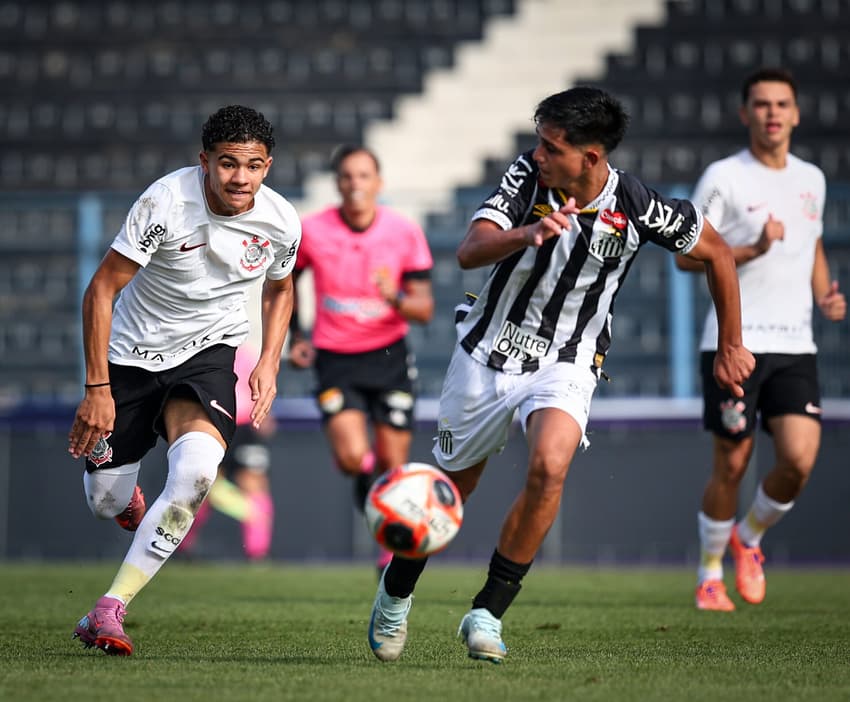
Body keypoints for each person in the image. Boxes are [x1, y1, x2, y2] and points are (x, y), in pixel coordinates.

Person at [366, 86, 755, 664]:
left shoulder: (640, 205)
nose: (539, 154)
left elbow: (719, 254)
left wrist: (730, 345)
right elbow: (470, 251)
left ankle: (488, 613)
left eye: (552, 147)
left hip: (566, 361)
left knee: (550, 466)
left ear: (591, 158)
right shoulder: (527, 179)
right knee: (451, 490)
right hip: (485, 352)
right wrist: (528, 233)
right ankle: (395, 597)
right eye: (538, 143)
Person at [68, 105, 301, 655]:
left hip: (207, 355)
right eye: (227, 164)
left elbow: (281, 288)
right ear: (205, 162)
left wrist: (269, 360)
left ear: (268, 165)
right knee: (105, 501)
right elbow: (101, 290)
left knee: (198, 472)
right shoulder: (165, 203)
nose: (240, 178)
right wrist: (97, 389)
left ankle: (108, 609)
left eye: (253, 165)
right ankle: (126, 502)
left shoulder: (281, 219)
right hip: (130, 358)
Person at [674, 68, 846, 612]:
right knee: (732, 462)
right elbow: (685, 255)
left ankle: (749, 538)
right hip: (734, 343)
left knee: (798, 459)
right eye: (762, 104)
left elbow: (811, 243)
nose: (773, 113)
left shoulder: (811, 179)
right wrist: (750, 248)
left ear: (796, 113)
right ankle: (708, 574)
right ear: (745, 113)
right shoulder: (724, 177)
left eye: (782, 104)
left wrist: (825, 294)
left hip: (796, 344)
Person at [288, 145, 434, 574]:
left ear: (379, 182)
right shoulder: (312, 230)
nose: (355, 184)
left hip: (389, 356)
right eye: (347, 176)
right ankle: (378, 502)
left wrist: (395, 298)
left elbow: (424, 310)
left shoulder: (403, 232)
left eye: (364, 176)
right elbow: (283, 283)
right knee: (355, 458)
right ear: (337, 183)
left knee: (393, 463)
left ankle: (388, 546)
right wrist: (296, 335)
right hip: (335, 356)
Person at [179, 342, 277, 561]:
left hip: (244, 426)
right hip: (210, 423)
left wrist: (264, 413)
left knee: (254, 486)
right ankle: (180, 545)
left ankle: (258, 552)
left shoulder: (243, 352)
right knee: (200, 487)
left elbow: (258, 385)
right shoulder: (196, 349)